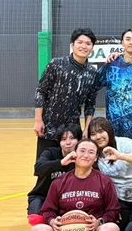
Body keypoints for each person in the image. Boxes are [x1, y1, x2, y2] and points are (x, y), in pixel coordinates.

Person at [30, 139, 121, 231]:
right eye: (82, 151)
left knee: (113, 229)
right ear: (74, 154)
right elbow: (47, 210)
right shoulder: (59, 182)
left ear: (96, 158)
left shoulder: (105, 181)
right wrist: (52, 221)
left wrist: (99, 222)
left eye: (91, 152)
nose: (86, 155)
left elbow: (113, 211)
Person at [33, 27, 100, 160]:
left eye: (88, 43)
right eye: (80, 42)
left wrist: (86, 129)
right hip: (49, 128)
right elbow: (41, 91)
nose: (83, 46)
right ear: (72, 45)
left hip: (73, 133)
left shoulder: (93, 73)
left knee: (71, 168)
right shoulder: (57, 64)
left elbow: (90, 104)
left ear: (92, 48)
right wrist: (38, 120)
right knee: (45, 167)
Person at [88, 117, 132, 231]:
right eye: (93, 134)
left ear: (109, 131)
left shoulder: (125, 143)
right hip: (121, 198)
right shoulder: (95, 152)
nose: (98, 136)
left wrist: (121, 156)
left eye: (101, 131)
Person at [27, 123, 81, 225]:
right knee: (36, 219)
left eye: (72, 138)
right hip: (43, 196)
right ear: (59, 142)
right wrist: (60, 163)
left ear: (79, 140)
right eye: (63, 139)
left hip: (67, 199)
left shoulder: (82, 158)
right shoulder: (50, 153)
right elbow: (38, 168)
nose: (68, 142)